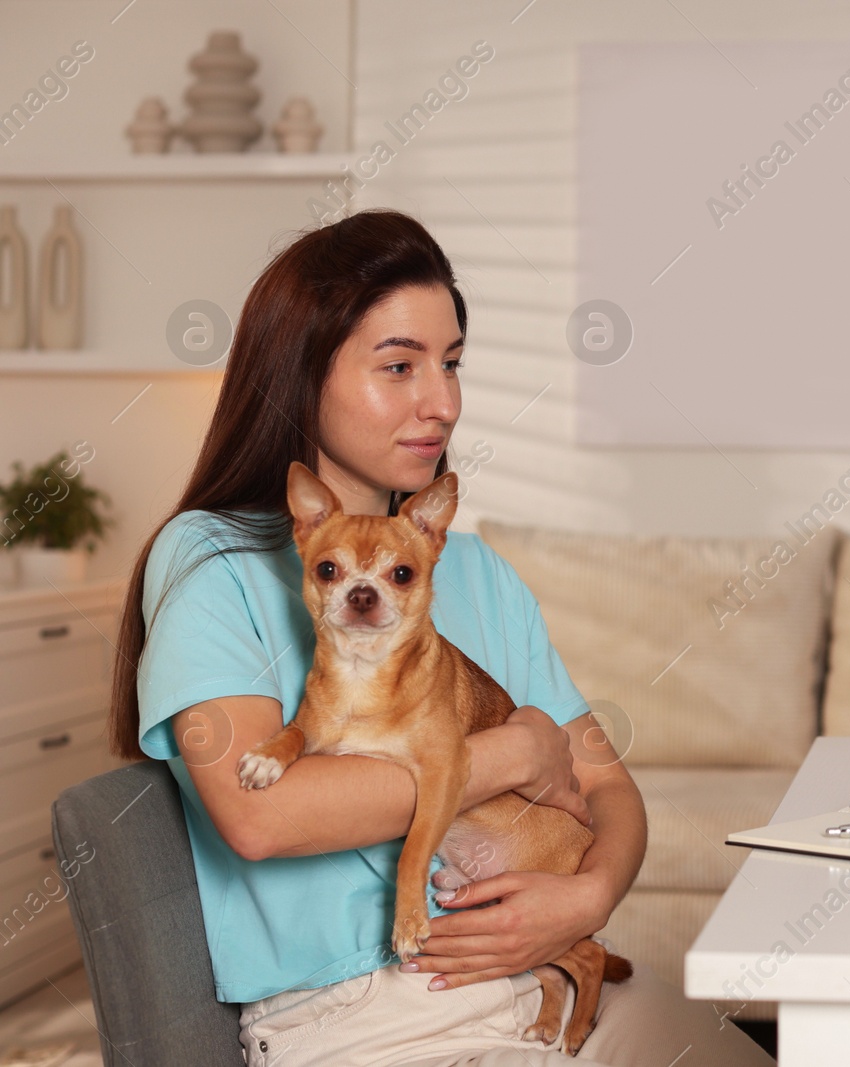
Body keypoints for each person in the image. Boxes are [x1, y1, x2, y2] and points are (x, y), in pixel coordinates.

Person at [105, 209, 775, 1067]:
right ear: (301, 376)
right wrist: (517, 753)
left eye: (452, 363)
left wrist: (590, 895)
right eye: (400, 366)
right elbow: (259, 815)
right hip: (375, 1010)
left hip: (551, 974)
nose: (444, 402)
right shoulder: (216, 558)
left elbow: (608, 787)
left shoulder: (477, 569)